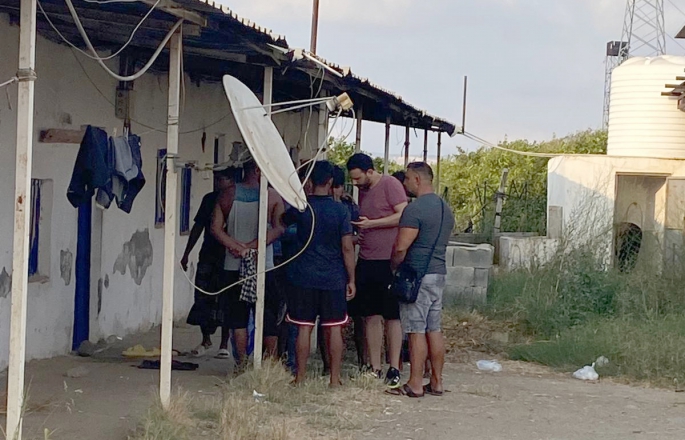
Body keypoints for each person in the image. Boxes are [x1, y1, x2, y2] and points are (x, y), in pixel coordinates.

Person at [283, 161, 356, 387]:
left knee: (304, 327)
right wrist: (351, 278)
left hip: (303, 276)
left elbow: (281, 222)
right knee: (334, 328)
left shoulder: (302, 208)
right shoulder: (341, 211)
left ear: (310, 183)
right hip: (333, 277)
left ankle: (300, 377)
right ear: (331, 181)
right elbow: (347, 247)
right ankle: (334, 379)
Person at [211, 159, 285, 369]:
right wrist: (254, 246)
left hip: (233, 263)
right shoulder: (272, 196)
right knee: (268, 317)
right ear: (258, 170)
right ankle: (270, 365)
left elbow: (216, 228)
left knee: (238, 318)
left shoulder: (227, 194)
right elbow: (279, 228)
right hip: (263, 264)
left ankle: (241, 365)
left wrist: (236, 246)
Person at [390, 162, 455, 397]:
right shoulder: (445, 208)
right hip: (438, 273)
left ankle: (415, 383)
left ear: (417, 179)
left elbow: (401, 246)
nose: (404, 183)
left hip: (417, 276)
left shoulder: (415, 209)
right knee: (434, 328)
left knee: (416, 329)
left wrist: (394, 266)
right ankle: (436, 382)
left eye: (407, 178)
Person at [346, 153, 408, 388]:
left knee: (391, 315)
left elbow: (403, 214)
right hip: (368, 257)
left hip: (388, 260)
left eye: (358, 178)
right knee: (370, 314)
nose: (355, 183)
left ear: (369, 171)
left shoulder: (390, 184)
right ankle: (375, 366)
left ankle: (394, 366)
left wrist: (373, 224)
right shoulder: (363, 191)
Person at [181, 168, 235, 357]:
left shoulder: (238, 200)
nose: (217, 182)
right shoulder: (209, 199)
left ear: (231, 181)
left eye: (221, 178)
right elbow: (198, 227)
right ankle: (206, 339)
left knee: (227, 299)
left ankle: (224, 343)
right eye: (216, 178)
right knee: (203, 297)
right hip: (209, 254)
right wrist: (186, 253)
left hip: (230, 256)